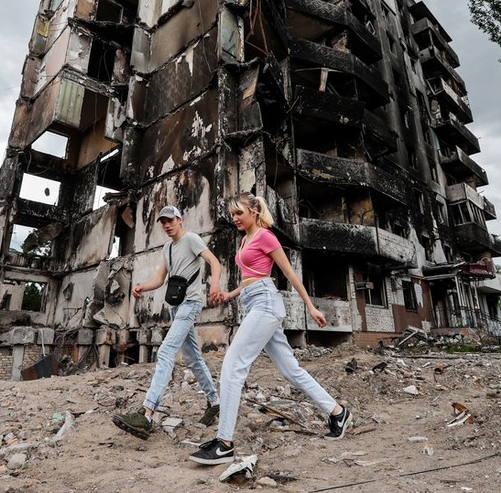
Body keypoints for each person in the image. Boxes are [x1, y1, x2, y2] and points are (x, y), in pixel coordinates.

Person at [189, 192, 353, 465]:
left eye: (239, 213)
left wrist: (310, 307)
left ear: (254, 211)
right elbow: (250, 279)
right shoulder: (244, 240)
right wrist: (229, 295)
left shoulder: (266, 236)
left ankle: (224, 442)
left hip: (266, 304)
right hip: (255, 303)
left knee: (232, 364)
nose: (235, 218)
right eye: (232, 214)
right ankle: (337, 412)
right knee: (291, 371)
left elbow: (288, 273)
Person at [112, 205, 222, 440]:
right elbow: (160, 279)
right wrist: (142, 286)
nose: (166, 225)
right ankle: (215, 401)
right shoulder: (167, 249)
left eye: (170, 220)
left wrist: (214, 284)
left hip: (190, 304)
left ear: (179, 220)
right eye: (162, 222)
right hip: (175, 308)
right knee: (193, 358)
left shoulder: (191, 239)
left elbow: (214, 262)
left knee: (165, 352)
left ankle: (147, 413)